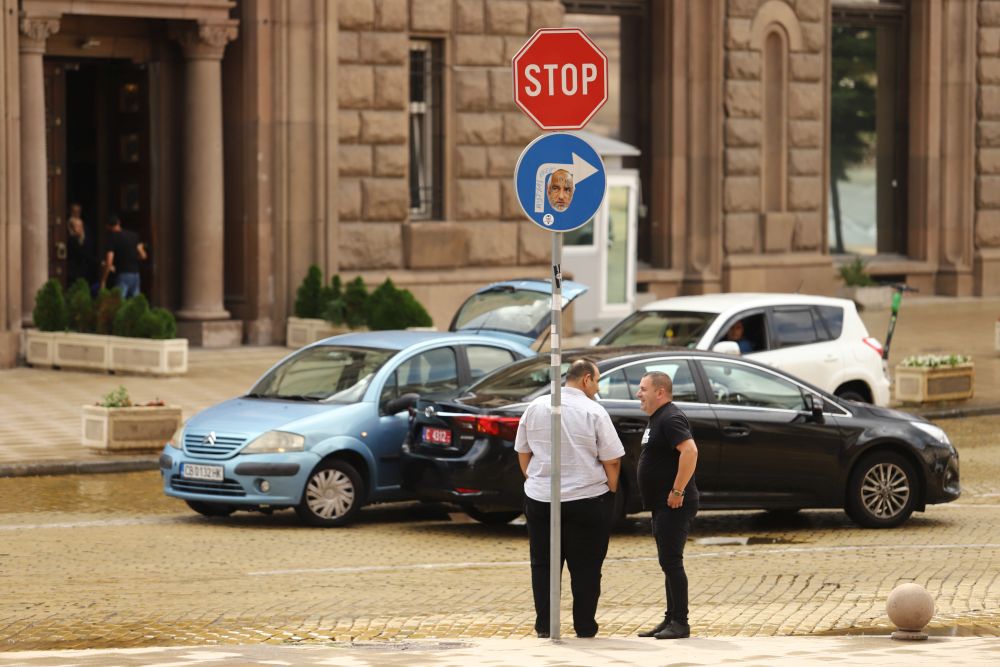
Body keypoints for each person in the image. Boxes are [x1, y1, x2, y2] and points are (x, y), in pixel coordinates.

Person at [514, 358, 624, 639]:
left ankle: (545, 626)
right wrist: (611, 489)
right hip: (588, 498)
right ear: (586, 379)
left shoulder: (536, 406)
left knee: (543, 565)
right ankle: (585, 626)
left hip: (541, 499)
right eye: (597, 381)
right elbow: (611, 460)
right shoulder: (594, 411)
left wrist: (533, 479)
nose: (597, 387)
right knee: (586, 568)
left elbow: (522, 451)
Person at [635, 370, 699, 640]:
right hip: (662, 504)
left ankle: (681, 623)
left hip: (674, 503)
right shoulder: (657, 418)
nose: (639, 394)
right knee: (667, 562)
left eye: (643, 389)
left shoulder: (670, 417)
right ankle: (670, 618)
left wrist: (677, 490)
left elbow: (690, 451)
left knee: (672, 562)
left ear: (660, 392)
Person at [101, 212, 147, 298]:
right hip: (135, 274)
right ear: (119, 223)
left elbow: (109, 261)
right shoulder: (134, 235)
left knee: (118, 303)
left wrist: (103, 280)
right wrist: (132, 258)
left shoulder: (112, 238)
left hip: (123, 274)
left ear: (107, 226)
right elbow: (143, 255)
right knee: (135, 303)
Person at [66, 203, 98, 290]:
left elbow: (89, 247)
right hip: (73, 270)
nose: (80, 229)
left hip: (84, 268)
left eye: (78, 211)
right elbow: (81, 252)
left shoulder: (86, 231)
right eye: (74, 211)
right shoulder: (69, 236)